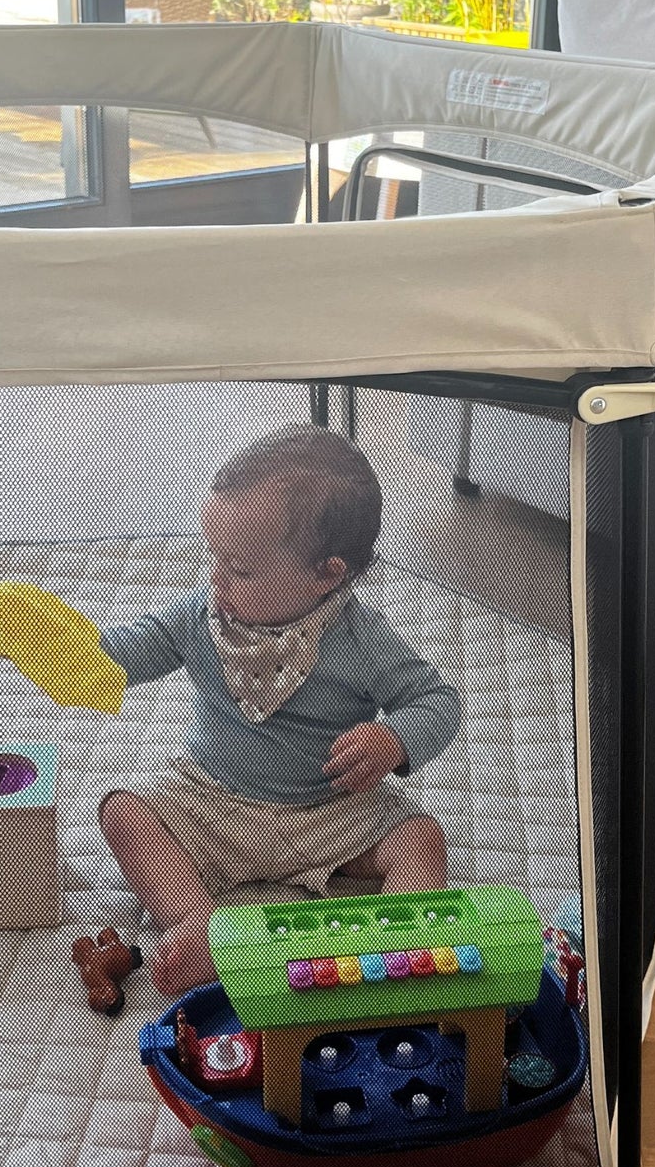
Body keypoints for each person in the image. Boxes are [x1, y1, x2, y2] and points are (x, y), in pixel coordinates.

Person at [96, 424, 462, 995]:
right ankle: (196, 925)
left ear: (326, 575)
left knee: (421, 838)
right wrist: (71, 650)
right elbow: (132, 650)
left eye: (240, 569)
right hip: (213, 803)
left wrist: (394, 741)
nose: (217, 579)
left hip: (331, 813)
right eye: (213, 557)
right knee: (124, 812)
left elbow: (437, 700)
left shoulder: (360, 638)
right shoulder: (201, 614)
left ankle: (400, 946)